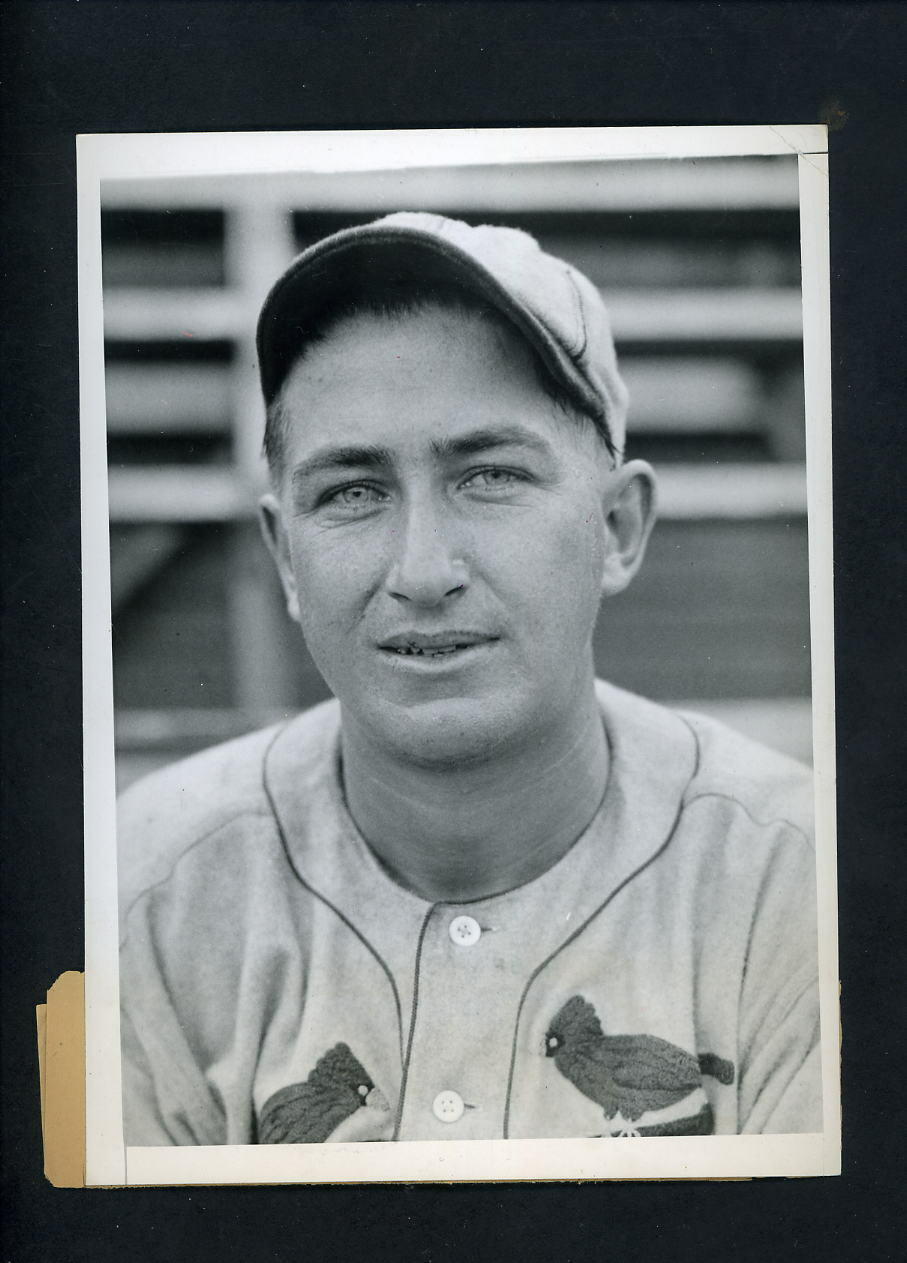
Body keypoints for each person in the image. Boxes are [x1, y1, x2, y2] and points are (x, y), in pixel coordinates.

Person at [118, 212, 821, 1145]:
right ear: (285, 558)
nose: (421, 569)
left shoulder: (806, 885)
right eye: (352, 491)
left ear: (616, 528)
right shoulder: (140, 895)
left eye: (488, 475)